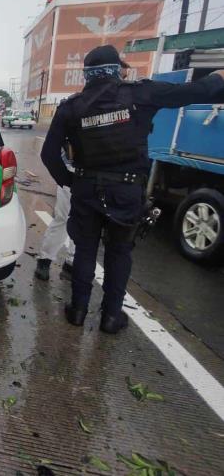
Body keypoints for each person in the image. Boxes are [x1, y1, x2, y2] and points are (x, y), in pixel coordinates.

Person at [41, 45, 224, 334]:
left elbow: (49, 155)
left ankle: (77, 311)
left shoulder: (70, 107)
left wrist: (73, 182)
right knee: (119, 253)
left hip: (87, 188)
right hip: (126, 191)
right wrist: (217, 79)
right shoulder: (140, 93)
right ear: (116, 69)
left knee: (85, 251)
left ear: (86, 74)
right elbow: (191, 93)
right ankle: (111, 318)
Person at [35, 63, 134, 282]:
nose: (121, 81)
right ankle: (45, 259)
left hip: (103, 181)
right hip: (77, 174)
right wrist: (67, 179)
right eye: (121, 75)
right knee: (63, 218)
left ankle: (71, 263)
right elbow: (56, 147)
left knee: (85, 227)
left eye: (125, 76)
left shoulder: (124, 105)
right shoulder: (81, 104)